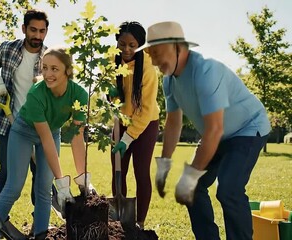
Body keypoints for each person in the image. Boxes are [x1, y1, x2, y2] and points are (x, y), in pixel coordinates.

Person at [138, 21, 271, 240]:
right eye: (151, 54)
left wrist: (189, 176)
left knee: (229, 189)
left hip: (247, 128)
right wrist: (164, 164)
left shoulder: (206, 72)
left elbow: (214, 129)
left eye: (157, 53)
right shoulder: (169, 81)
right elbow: (173, 122)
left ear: (178, 47)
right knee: (193, 188)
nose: (154, 61)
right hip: (217, 135)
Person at [0, 46, 94, 240]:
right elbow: (45, 140)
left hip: (53, 131)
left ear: (67, 71)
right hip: (23, 132)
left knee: (44, 188)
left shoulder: (80, 95)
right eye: (44, 68)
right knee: (14, 187)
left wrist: (83, 177)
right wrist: (61, 183)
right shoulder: (37, 93)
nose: (48, 74)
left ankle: (41, 235)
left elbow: (78, 137)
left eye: (54, 69)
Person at [0, 9, 50, 205]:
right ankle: (0, 221)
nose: (37, 36)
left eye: (42, 31)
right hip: (10, 123)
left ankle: (39, 222)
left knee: (41, 176)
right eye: (33, 30)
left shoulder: (50, 57)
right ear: (24, 28)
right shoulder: (8, 49)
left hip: (40, 125)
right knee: (7, 173)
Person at [110, 21, 160, 230]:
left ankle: (139, 221)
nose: (127, 49)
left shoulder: (148, 68)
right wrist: (111, 93)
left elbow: (145, 110)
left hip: (146, 124)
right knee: (117, 170)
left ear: (139, 45)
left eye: (132, 45)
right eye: (122, 44)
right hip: (120, 121)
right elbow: (111, 93)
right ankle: (120, 217)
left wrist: (127, 138)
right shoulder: (111, 60)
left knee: (141, 171)